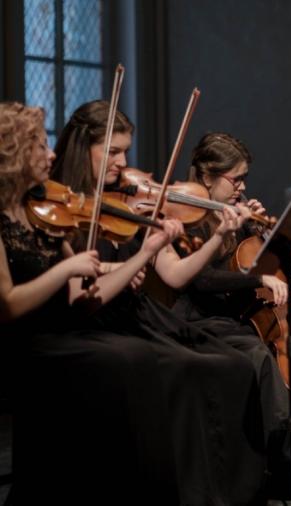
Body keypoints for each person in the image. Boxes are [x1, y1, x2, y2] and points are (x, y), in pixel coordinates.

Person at [52, 100, 268, 505]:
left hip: (136, 313)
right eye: (113, 152)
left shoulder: (125, 205)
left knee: (237, 367)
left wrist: (220, 235)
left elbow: (174, 274)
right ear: (84, 148)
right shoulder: (63, 205)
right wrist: (125, 265)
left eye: (125, 152)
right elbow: (79, 290)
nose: (123, 164)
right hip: (105, 321)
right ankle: (189, 492)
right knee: (195, 369)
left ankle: (234, 492)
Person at [0, 101, 181, 504]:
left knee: (137, 356)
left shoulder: (42, 213)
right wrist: (67, 271)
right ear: (12, 155)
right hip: (26, 347)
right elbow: (8, 306)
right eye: (38, 146)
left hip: (65, 333)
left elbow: (84, 299)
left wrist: (144, 251)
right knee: (126, 358)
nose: (51, 154)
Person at [177, 131, 290, 450]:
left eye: (244, 179)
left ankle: (289, 449)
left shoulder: (234, 216)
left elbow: (247, 263)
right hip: (199, 321)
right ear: (207, 176)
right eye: (236, 179)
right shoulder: (190, 218)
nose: (242, 187)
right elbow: (204, 279)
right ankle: (275, 447)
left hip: (233, 318)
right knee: (257, 354)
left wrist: (257, 230)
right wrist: (259, 280)